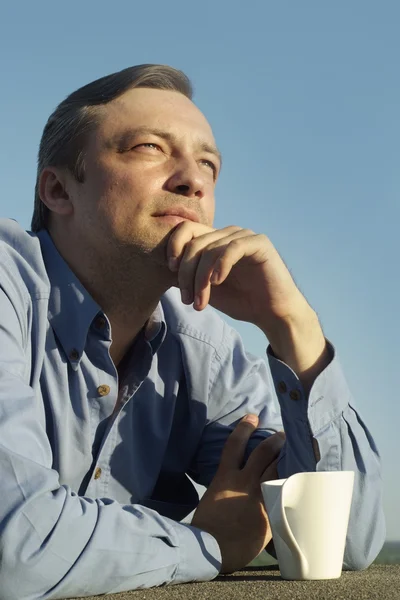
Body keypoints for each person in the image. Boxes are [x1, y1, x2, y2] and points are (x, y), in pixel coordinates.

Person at [0, 64, 384, 599]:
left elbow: (340, 541)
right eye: (149, 148)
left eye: (208, 164)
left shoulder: (201, 344)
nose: (193, 179)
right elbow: (15, 548)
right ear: (58, 190)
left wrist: (293, 327)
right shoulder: (7, 289)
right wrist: (205, 542)